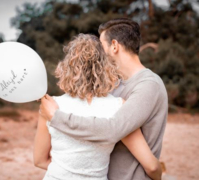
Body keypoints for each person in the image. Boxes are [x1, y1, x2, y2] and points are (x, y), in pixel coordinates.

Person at [39, 18, 168, 180]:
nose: (99, 51)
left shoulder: (148, 85)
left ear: (114, 46)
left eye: (101, 45)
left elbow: (113, 129)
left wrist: (57, 117)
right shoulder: (117, 86)